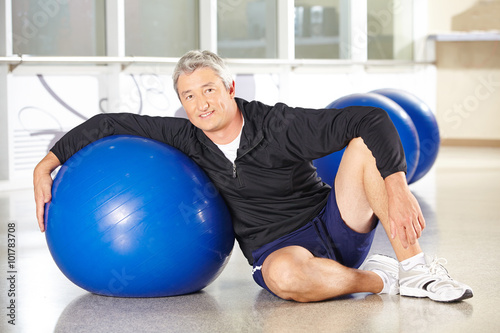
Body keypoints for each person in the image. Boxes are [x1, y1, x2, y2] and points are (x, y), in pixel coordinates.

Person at [34, 50, 472, 303]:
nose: (201, 103)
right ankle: (383, 279)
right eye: (189, 96)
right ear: (183, 104)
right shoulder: (186, 137)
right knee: (285, 280)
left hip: (336, 223)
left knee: (361, 146)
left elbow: (372, 119)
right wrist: (47, 162)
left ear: (229, 88)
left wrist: (397, 187)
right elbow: (108, 123)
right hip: (277, 247)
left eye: (208, 89)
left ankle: (415, 269)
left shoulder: (279, 124)